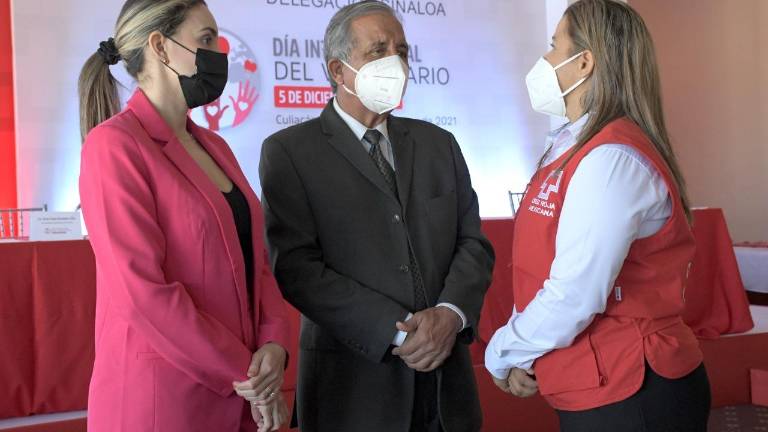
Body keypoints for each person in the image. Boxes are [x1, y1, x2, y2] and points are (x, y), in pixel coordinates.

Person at [258, 2, 494, 431]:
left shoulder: (438, 144)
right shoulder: (290, 153)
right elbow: (297, 270)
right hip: (354, 392)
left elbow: (472, 242)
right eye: (378, 50)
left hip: (447, 390)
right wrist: (400, 332)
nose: (395, 62)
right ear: (338, 69)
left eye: (401, 50)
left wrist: (450, 315)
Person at [484, 0, 711, 431]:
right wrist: (525, 348)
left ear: (584, 62)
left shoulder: (610, 158)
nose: (545, 59)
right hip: (598, 378)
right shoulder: (574, 146)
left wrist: (504, 351)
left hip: (634, 387)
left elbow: (574, 294)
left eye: (554, 46)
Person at [77, 1, 290, 430]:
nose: (219, 53)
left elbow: (258, 261)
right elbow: (143, 292)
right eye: (206, 39)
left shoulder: (216, 146)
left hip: (244, 392)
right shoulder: (113, 146)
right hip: (165, 402)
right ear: (159, 46)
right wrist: (244, 371)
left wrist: (274, 345)